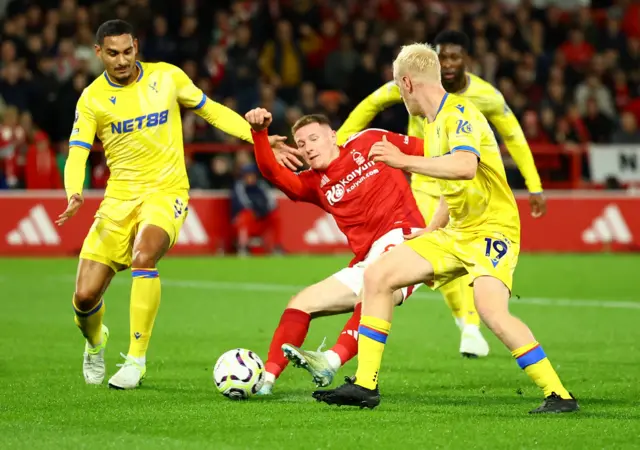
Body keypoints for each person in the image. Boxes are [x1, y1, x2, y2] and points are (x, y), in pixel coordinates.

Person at [313, 43, 578, 414]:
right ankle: (364, 384)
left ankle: (559, 395)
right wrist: (431, 229)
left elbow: (465, 166)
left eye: (398, 87)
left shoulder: (459, 114)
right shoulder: (433, 122)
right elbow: (450, 188)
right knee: (378, 276)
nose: (401, 95)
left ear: (407, 82)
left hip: (492, 230)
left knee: (491, 311)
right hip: (454, 231)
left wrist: (405, 160)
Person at [56, 20, 290, 390]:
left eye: (127, 51)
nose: (121, 60)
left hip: (167, 192)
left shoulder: (167, 78)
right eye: (112, 54)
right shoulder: (91, 99)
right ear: (99, 53)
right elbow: (77, 152)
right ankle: (96, 341)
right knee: (84, 298)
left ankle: (135, 360)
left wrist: (257, 137)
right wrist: (74, 190)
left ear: (136, 45)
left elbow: (211, 110)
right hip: (118, 200)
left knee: (144, 256)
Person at [332, 30, 547, 358]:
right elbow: (370, 105)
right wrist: (340, 143)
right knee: (405, 264)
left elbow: (509, 139)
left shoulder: (479, 99)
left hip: (473, 196)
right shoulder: (420, 101)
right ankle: (461, 326)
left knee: (477, 290)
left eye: (454, 57)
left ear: (466, 61)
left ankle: (471, 323)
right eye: (442, 56)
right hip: (428, 185)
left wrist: (534, 184)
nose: (448, 63)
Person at [244, 108, 426, 395]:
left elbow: (429, 150)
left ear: (333, 136)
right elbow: (272, 172)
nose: (308, 148)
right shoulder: (314, 184)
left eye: (313, 138)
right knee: (299, 303)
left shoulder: (369, 141)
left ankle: (331, 359)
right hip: (366, 259)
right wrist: (259, 134)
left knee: (376, 287)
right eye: (301, 144)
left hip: (406, 239)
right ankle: (265, 379)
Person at [231, 163, 283, 255]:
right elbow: (242, 204)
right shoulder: (239, 186)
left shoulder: (262, 185)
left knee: (276, 216)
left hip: (262, 218)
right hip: (247, 220)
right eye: (247, 175)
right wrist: (256, 209)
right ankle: (243, 247)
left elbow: (272, 203)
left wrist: (263, 211)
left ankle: (276, 246)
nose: (250, 178)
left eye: (252, 175)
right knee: (244, 215)